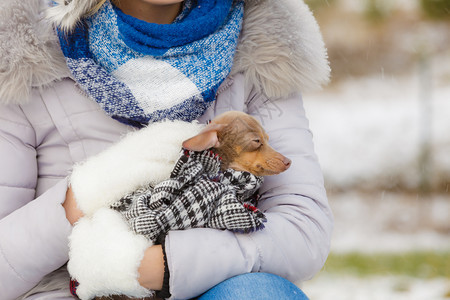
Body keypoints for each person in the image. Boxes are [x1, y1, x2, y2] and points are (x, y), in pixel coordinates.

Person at [0, 0, 333, 299]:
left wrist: (168, 264)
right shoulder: (22, 50)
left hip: (216, 283)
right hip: (72, 290)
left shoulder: (265, 44)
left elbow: (301, 231)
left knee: (258, 295)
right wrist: (89, 191)